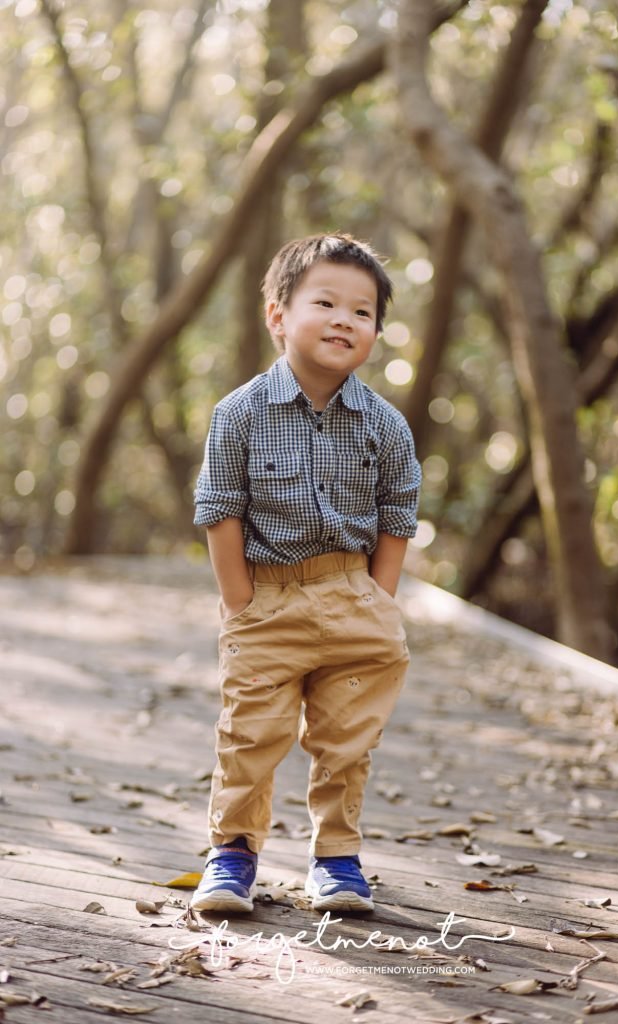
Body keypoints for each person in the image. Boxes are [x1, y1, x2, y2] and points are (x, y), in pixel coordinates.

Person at [191, 233, 421, 914]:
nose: (344, 320)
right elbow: (219, 510)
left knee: (347, 737)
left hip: (352, 593)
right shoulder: (238, 415)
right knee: (250, 733)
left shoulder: (385, 425)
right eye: (324, 302)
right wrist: (239, 603)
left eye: (363, 311)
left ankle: (336, 858)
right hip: (266, 597)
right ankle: (231, 855)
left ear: (376, 330)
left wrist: (375, 601)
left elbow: (396, 516)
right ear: (277, 315)